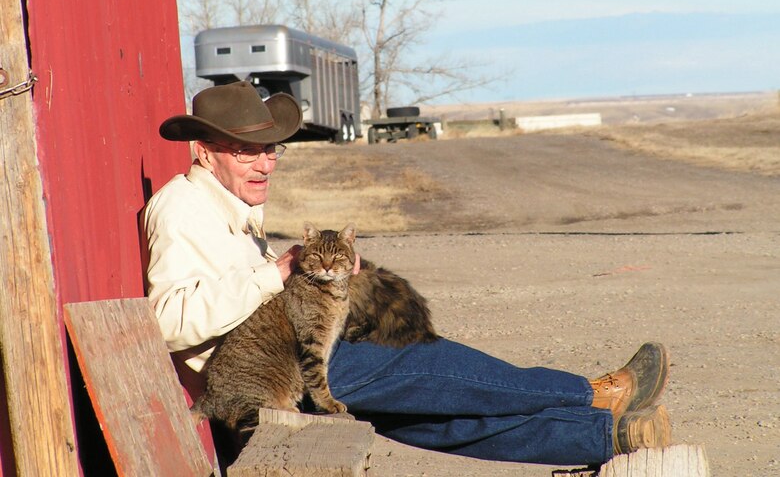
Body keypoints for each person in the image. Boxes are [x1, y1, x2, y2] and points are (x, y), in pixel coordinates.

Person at [141, 81, 672, 467]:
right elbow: (166, 322)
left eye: (269, 149)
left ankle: (607, 436)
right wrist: (276, 272)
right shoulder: (182, 209)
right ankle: (593, 393)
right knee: (428, 364)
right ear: (203, 152)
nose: (264, 163)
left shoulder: (228, 205)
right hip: (278, 375)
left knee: (442, 423)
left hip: (297, 362)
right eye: (244, 150)